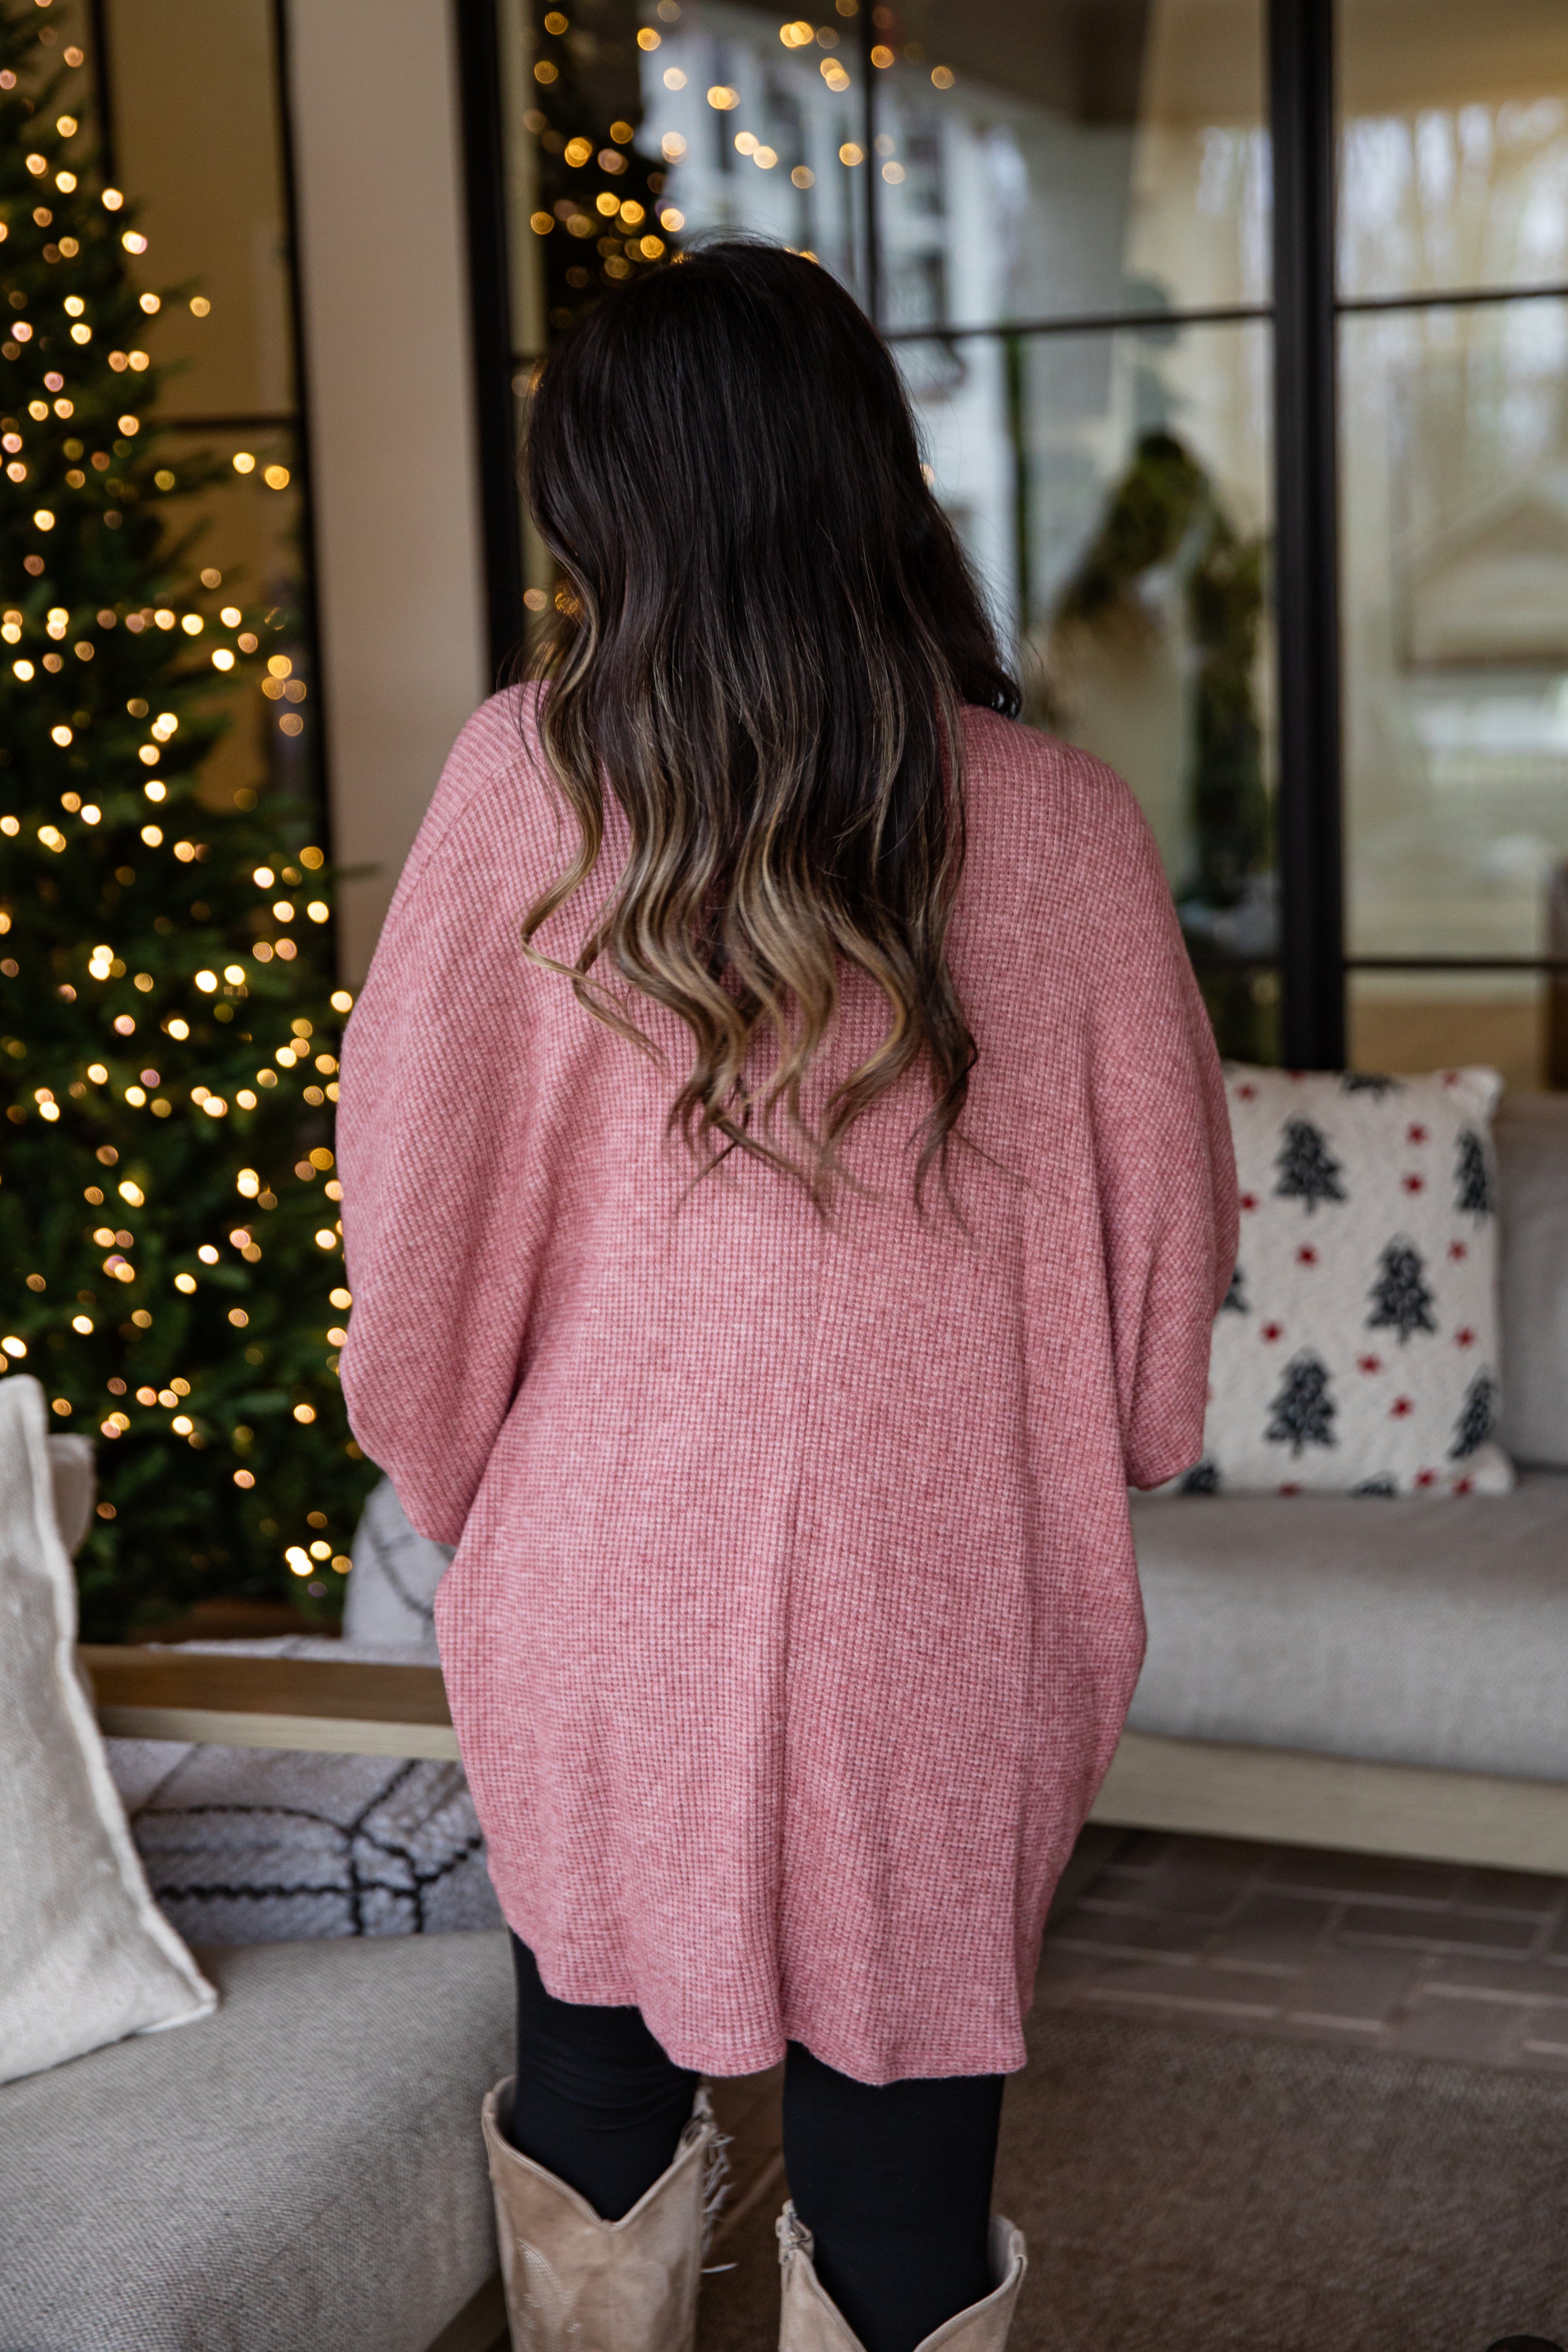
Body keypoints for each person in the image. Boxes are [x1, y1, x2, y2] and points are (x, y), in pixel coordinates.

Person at [337, 241, 1236, 2352]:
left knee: (592, 2069)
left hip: (597, 1567)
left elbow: (418, 1216)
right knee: (910, 2139)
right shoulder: (1064, 824)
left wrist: (456, 1476)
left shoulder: (518, 785)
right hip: (950, 1582)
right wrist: (1073, 1446)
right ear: (874, 479)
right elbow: (1169, 1249)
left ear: (605, 498)